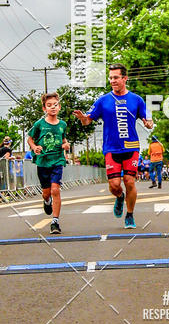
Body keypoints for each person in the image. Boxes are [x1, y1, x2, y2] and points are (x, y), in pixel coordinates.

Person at [74, 63, 153, 229]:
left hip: (131, 147)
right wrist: (82, 118)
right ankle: (119, 197)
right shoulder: (103, 101)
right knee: (115, 185)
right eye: (110, 78)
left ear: (125, 78)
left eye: (116, 77)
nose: (112, 81)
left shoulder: (136, 100)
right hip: (111, 148)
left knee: (129, 181)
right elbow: (88, 120)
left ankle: (130, 215)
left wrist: (148, 123)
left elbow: (147, 119)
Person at [27, 92, 70, 234]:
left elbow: (64, 140)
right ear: (44, 108)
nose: (52, 107)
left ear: (59, 107)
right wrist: (34, 147)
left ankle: (55, 222)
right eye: (49, 105)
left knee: (55, 190)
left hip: (57, 160)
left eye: (55, 105)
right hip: (43, 161)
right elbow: (30, 139)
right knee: (46, 193)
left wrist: (66, 146)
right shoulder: (39, 124)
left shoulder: (62, 124)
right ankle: (46, 201)